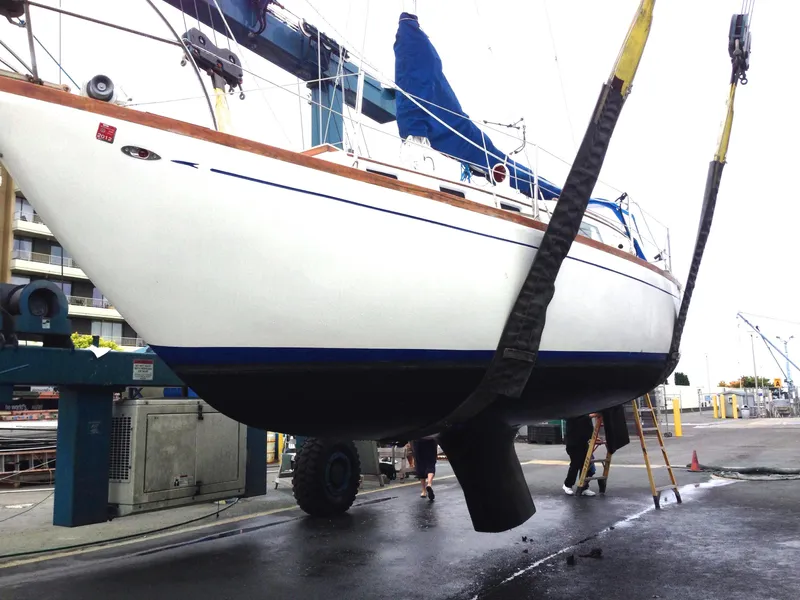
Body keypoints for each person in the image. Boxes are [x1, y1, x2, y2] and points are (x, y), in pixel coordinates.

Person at [562, 414, 597, 497]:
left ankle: (584, 487)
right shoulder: (573, 413)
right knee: (575, 464)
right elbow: (576, 419)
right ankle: (567, 485)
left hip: (584, 442)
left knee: (586, 465)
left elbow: (588, 426)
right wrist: (590, 416)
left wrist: (592, 437)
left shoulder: (585, 413)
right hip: (573, 442)